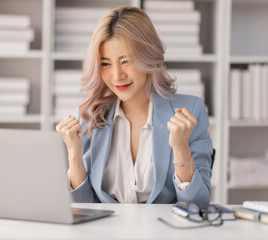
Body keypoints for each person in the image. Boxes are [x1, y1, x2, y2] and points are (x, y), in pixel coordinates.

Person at [55, 6, 213, 207]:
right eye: (105, 64)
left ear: (149, 55)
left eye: (126, 61)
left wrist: (181, 148)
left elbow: (197, 204)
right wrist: (74, 154)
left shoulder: (190, 111)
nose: (117, 75)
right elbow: (83, 206)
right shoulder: (89, 115)